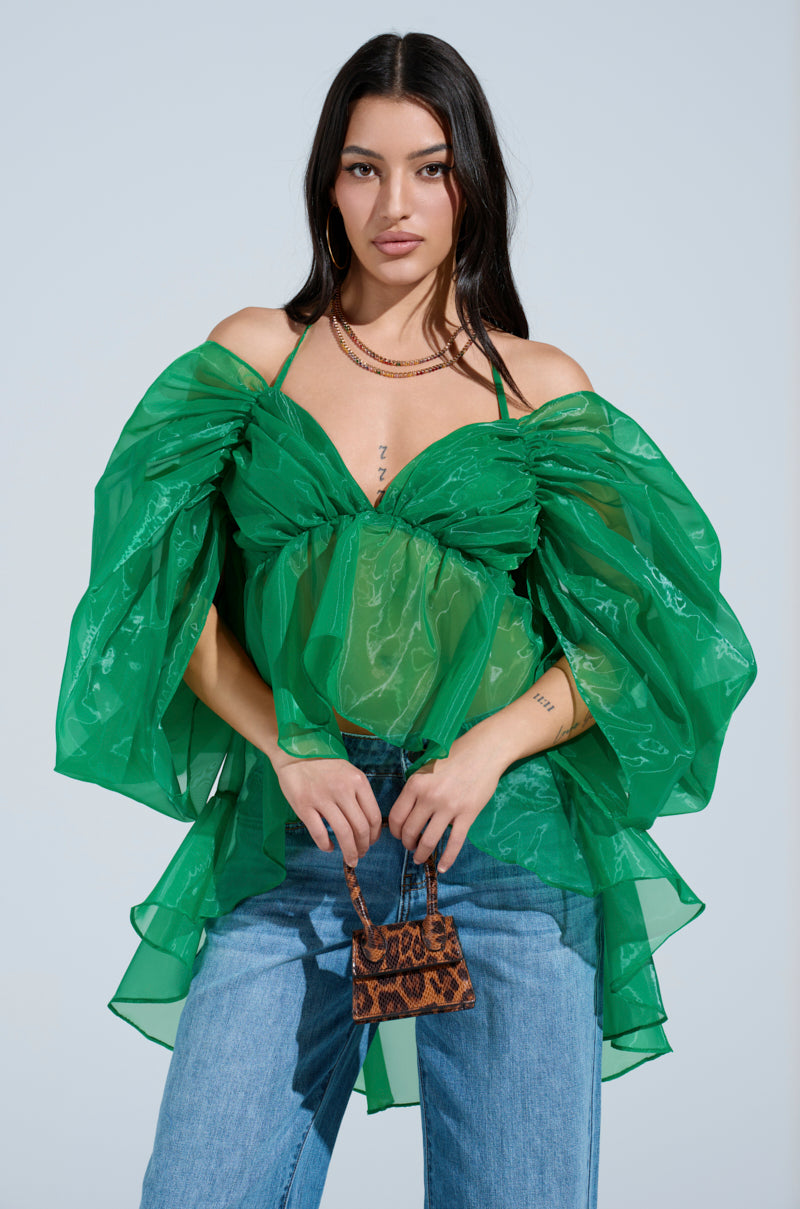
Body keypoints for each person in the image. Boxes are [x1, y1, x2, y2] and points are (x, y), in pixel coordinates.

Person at [54, 30, 756, 1209]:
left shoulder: (536, 387)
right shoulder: (255, 359)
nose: (395, 204)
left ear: (470, 184)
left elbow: (643, 635)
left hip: (500, 851)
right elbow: (158, 594)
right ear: (325, 184)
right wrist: (286, 746)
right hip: (296, 846)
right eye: (362, 168)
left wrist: (483, 753)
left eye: (429, 169)